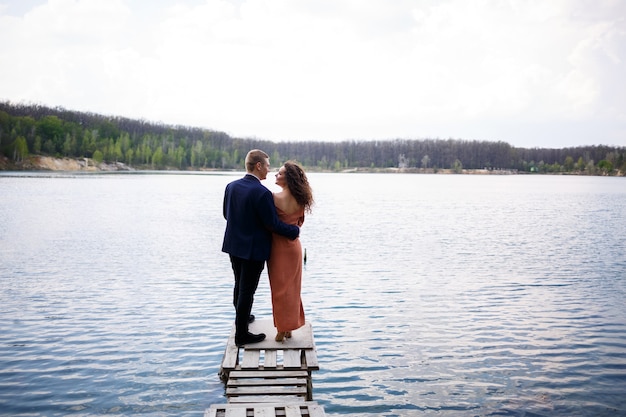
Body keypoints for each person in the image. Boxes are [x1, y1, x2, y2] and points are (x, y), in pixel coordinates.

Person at [222, 150, 300, 347]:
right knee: (247, 290)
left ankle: (243, 318)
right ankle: (242, 335)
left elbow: (226, 214)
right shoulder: (262, 193)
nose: (269, 169)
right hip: (253, 249)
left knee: (239, 284)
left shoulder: (231, 187)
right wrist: (293, 231)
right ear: (258, 166)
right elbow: (272, 223)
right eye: (267, 165)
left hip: (233, 245)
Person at [268, 161, 314, 342]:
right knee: (292, 289)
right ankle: (289, 327)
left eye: (279, 174)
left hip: (278, 248)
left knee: (279, 289)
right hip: (294, 247)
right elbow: (299, 223)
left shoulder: (273, 198)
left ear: (287, 178)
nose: (275, 176)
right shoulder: (301, 199)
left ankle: (281, 329)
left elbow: (270, 223)